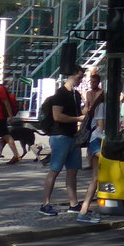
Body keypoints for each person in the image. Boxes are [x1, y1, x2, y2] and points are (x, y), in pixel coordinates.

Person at [39, 71, 83, 216]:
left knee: (72, 171)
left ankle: (74, 204)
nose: (81, 80)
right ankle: (45, 204)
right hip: (60, 136)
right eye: (79, 76)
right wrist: (78, 119)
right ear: (72, 75)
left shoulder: (76, 95)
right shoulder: (60, 94)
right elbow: (57, 116)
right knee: (55, 170)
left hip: (72, 136)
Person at [76, 81, 106, 224]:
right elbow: (101, 130)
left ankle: (85, 209)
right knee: (99, 176)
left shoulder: (101, 106)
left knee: (96, 178)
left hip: (96, 143)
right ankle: (84, 210)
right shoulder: (102, 106)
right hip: (97, 143)